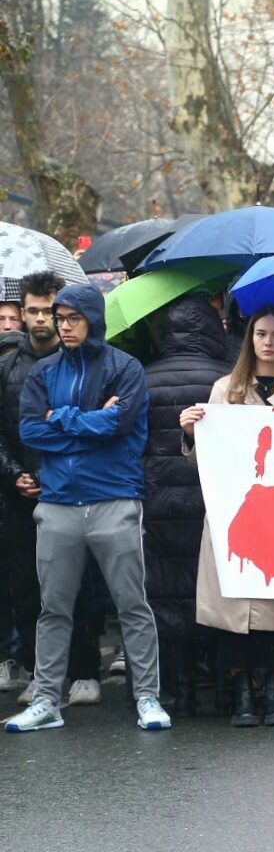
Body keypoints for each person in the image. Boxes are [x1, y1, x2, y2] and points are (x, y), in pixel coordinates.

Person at [4, 282, 170, 732]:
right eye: (59, 318)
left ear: (93, 319)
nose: (63, 325)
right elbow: (30, 434)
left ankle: (147, 697)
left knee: (132, 604)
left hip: (115, 497)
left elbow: (122, 424)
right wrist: (90, 420)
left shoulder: (126, 368)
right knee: (53, 608)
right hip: (59, 503)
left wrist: (63, 418)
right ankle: (46, 700)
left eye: (72, 318)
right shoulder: (44, 372)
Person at [179, 305, 274, 729]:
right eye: (261, 334)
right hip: (235, 518)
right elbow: (209, 458)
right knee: (236, 613)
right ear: (249, 338)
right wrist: (190, 432)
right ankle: (241, 693)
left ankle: (273, 690)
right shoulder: (225, 389)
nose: (268, 342)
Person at [0, 271, 105, 707]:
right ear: (22, 314)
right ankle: (41, 673)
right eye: (34, 311)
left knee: (78, 585)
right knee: (28, 592)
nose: (42, 319)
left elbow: (95, 429)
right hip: (17, 496)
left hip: (70, 489)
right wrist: (13, 475)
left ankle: (84, 670)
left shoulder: (83, 364)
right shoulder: (5, 366)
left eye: (50, 311)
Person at [141, 294, 230, 717]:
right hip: (215, 500)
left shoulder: (144, 378)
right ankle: (221, 682)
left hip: (161, 501)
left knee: (165, 590)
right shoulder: (227, 377)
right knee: (212, 589)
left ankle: (179, 686)